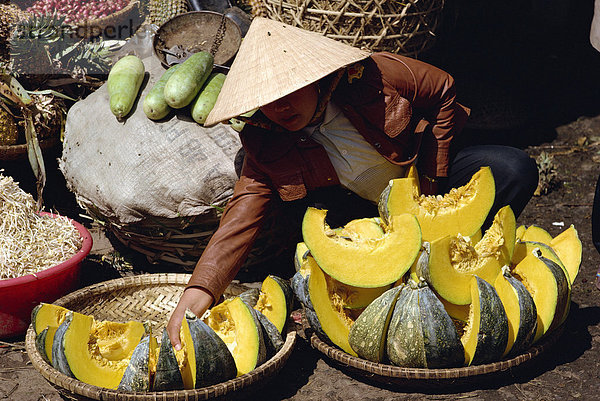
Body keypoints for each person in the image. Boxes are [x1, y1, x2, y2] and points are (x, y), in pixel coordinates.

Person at [166, 17, 539, 349]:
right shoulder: (264, 138)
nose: (280, 107)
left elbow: (443, 89)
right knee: (319, 269)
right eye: (267, 100)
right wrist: (201, 288)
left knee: (512, 168)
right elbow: (241, 213)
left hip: (423, 183)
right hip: (358, 216)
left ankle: (466, 262)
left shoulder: (377, 75)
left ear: (313, 76)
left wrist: (431, 181)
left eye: (289, 90)